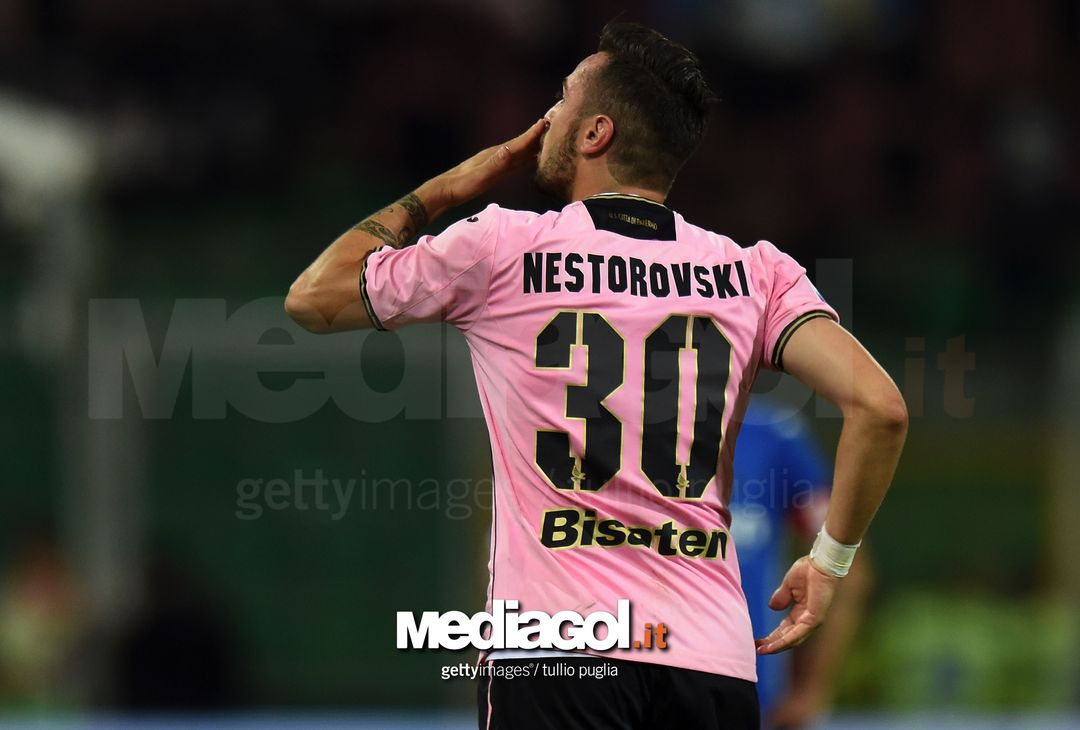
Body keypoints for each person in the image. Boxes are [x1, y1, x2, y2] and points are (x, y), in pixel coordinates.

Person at [285, 22, 907, 730]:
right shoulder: (754, 271)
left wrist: (456, 182)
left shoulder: (502, 246)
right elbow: (880, 407)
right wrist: (828, 565)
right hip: (709, 661)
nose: (546, 118)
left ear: (594, 133)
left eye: (563, 101)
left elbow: (313, 296)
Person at [730, 401, 873, 729]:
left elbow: (851, 573)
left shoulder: (773, 437)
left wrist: (812, 689)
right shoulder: (608, 432)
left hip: (750, 699)